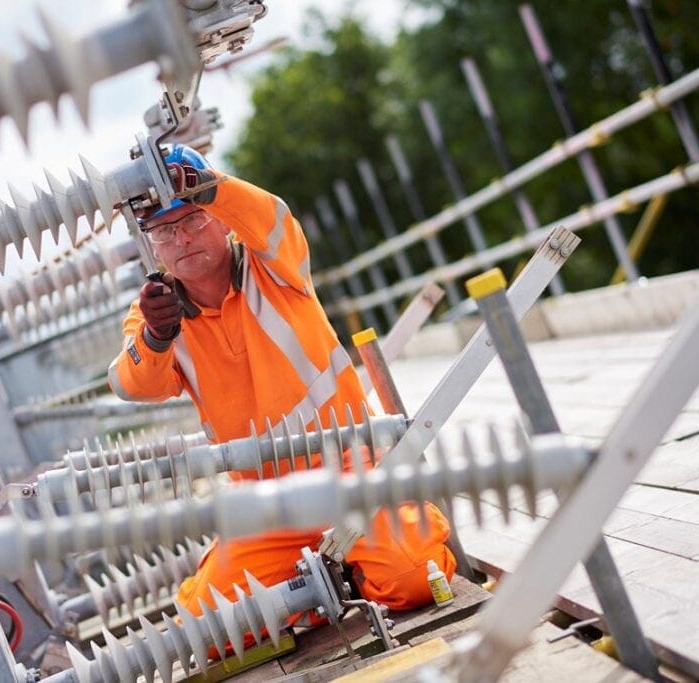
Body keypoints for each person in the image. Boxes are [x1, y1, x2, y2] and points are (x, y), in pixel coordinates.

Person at [108, 144, 455, 642]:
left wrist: (211, 185)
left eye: (192, 220)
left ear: (220, 219)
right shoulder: (154, 313)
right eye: (164, 231)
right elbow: (130, 383)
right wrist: (156, 337)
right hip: (268, 503)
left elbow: (271, 217)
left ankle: (354, 565)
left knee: (413, 579)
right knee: (210, 632)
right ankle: (323, 582)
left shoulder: (274, 265)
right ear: (151, 246)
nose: (180, 238)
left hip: (353, 472)